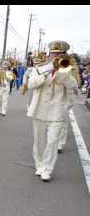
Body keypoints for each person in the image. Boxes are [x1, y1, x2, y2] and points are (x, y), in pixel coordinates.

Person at [27, 40, 77, 182]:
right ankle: (39, 165)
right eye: (53, 53)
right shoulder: (40, 67)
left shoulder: (68, 69)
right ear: (49, 54)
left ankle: (47, 169)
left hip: (57, 110)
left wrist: (63, 73)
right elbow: (30, 84)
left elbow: (74, 86)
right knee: (39, 141)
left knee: (53, 141)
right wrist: (44, 75)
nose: (55, 56)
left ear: (64, 55)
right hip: (40, 109)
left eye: (59, 54)